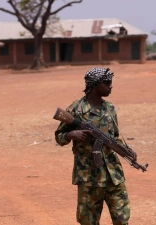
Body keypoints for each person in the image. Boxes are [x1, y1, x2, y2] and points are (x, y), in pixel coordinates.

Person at [54, 67, 130, 225]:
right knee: (88, 220)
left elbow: (114, 137)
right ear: (95, 85)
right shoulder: (76, 109)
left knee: (122, 218)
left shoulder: (110, 108)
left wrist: (126, 151)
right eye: (107, 83)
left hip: (113, 174)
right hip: (88, 176)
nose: (111, 86)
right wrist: (70, 135)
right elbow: (59, 137)